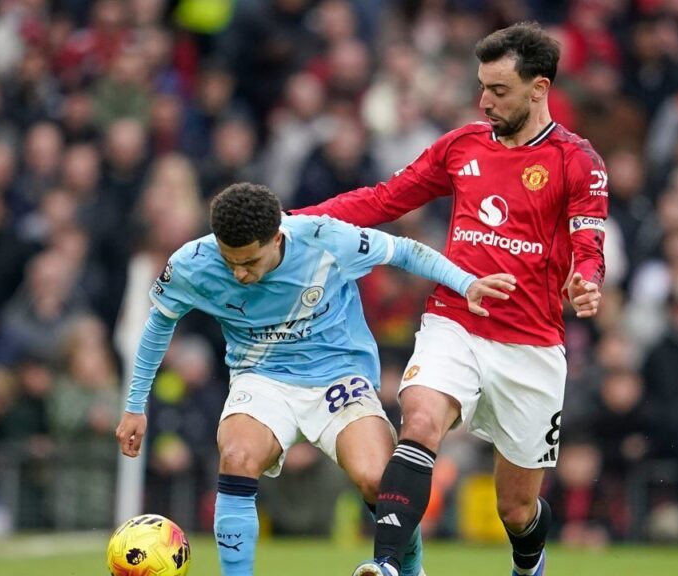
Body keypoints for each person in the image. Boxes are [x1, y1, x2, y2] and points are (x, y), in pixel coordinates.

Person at [293, 22, 607, 576]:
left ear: (540, 88)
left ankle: (529, 563)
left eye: (499, 90)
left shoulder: (576, 161)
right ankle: (387, 565)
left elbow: (588, 241)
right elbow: (384, 199)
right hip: (456, 319)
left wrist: (585, 278)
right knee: (419, 418)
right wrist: (295, 221)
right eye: (481, 87)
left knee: (515, 507)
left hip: (531, 343)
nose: (484, 101)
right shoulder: (461, 146)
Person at [115, 182, 514, 576]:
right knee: (236, 456)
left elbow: (405, 252)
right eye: (229, 259)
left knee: (380, 481)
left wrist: (465, 283)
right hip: (262, 378)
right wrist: (135, 407)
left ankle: (409, 571)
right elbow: (158, 326)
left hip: (339, 377)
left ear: (276, 238)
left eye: (250, 262)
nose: (238, 273)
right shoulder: (193, 263)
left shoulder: (325, 238)